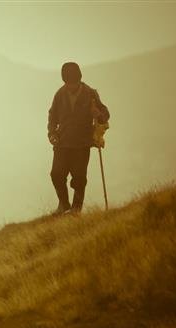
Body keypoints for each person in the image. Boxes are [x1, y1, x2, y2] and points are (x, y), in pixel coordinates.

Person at [47, 62, 110, 215]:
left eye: (73, 83)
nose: (70, 87)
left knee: (79, 178)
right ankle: (64, 204)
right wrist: (52, 133)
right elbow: (52, 116)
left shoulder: (90, 94)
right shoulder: (60, 94)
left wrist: (98, 114)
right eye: (68, 83)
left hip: (82, 144)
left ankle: (76, 210)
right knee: (56, 174)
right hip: (62, 143)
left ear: (79, 79)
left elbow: (105, 114)